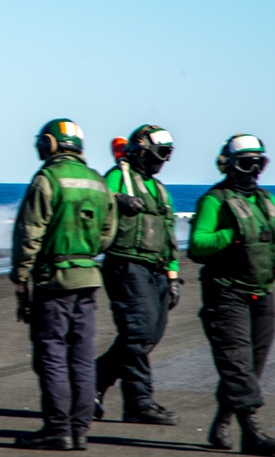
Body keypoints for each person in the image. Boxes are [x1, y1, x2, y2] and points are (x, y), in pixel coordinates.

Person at [10, 118, 117, 451]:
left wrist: (20, 278)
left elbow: (30, 234)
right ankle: (79, 430)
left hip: (53, 283)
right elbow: (107, 234)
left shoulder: (47, 179)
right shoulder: (98, 182)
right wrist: (83, 255)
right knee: (82, 358)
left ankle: (57, 429)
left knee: (52, 355)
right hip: (87, 280)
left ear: (50, 144)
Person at [188, 134, 275, 455]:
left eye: (259, 163)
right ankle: (251, 431)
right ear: (231, 164)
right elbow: (198, 244)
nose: (254, 170)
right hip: (226, 293)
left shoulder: (266, 199)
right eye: (247, 163)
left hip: (263, 293)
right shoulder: (214, 200)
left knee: (252, 366)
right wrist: (232, 235)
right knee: (236, 363)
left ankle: (222, 421)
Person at [94, 125, 182, 425]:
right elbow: (101, 196)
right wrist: (118, 199)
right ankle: (139, 402)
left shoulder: (158, 189)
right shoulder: (120, 176)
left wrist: (172, 276)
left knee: (148, 336)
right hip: (126, 265)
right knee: (138, 333)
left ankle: (95, 380)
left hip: (156, 269)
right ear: (142, 148)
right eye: (160, 153)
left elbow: (169, 233)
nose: (162, 160)